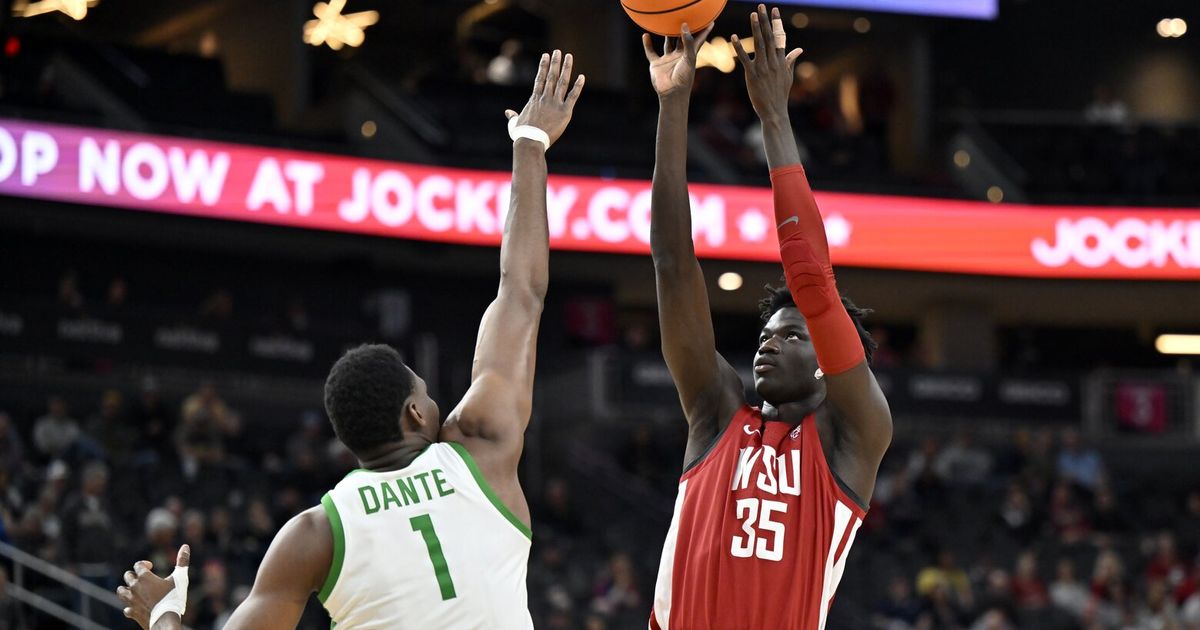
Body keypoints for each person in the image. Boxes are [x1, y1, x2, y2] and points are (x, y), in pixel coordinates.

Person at [115, 50, 586, 630]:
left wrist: (163, 617)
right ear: (416, 412)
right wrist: (530, 143)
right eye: (428, 395)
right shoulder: (482, 447)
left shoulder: (314, 533)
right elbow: (521, 292)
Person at [642, 6, 892, 629]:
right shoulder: (717, 410)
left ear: (827, 366)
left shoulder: (853, 434)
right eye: (764, 334)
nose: (767, 345)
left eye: (789, 336)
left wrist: (775, 115)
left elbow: (812, 281)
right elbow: (674, 263)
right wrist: (674, 102)